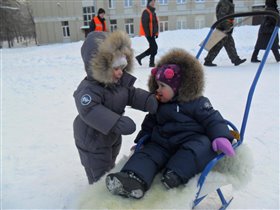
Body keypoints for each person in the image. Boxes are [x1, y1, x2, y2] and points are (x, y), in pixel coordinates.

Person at [105, 48, 235, 199]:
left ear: (177, 88)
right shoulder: (159, 104)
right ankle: (133, 179)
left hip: (189, 141)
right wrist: (142, 140)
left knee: (200, 147)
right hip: (162, 144)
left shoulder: (197, 102)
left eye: (162, 86)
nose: (157, 90)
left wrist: (220, 136)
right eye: (157, 85)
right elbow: (150, 123)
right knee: (147, 154)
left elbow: (212, 119)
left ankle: (175, 175)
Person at [73, 30, 158, 184]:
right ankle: (96, 197)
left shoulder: (118, 83)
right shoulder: (88, 90)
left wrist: (149, 100)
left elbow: (131, 94)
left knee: (110, 162)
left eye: (123, 67)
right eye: (116, 68)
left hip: (111, 136)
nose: (120, 73)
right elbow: (90, 110)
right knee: (98, 172)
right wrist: (116, 122)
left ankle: (108, 183)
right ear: (100, 67)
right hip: (92, 139)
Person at [204, 0, 246, 67]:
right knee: (217, 45)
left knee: (230, 44)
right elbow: (222, 16)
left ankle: (235, 59)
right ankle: (208, 61)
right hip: (223, 28)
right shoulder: (225, 3)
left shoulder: (227, 2)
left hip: (226, 27)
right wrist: (227, 27)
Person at [135, 0, 159, 67]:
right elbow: (145, 24)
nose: (153, 3)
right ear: (149, 3)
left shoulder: (153, 12)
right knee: (154, 48)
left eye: (154, 2)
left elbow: (155, 24)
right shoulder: (146, 12)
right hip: (149, 34)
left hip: (152, 33)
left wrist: (156, 33)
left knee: (153, 48)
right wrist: (148, 34)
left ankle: (140, 57)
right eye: (152, 2)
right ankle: (151, 63)